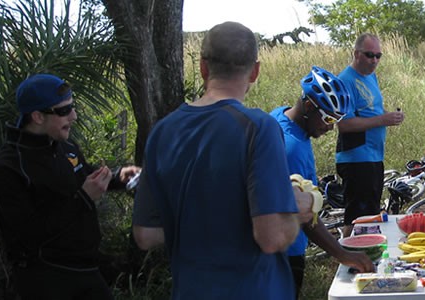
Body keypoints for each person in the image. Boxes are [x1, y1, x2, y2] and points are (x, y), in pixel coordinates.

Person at [131, 21, 314, 299]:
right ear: (255, 71)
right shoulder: (258, 127)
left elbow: (146, 235)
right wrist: (298, 208)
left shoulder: (162, 132)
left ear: (203, 67)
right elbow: (272, 237)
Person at [0, 73, 141, 299]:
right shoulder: (7, 169)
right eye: (64, 110)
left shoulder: (64, 146)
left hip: (87, 270)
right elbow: (29, 235)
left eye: (72, 106)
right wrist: (84, 198)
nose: (73, 115)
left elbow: (84, 177)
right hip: (45, 280)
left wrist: (118, 177)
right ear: (37, 116)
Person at [271, 66, 375, 298]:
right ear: (308, 106)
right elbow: (306, 218)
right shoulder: (292, 148)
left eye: (336, 119)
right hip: (286, 252)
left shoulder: (280, 116)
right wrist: (343, 254)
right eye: (328, 118)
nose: (330, 127)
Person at [335, 33, 405, 236]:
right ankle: (348, 260)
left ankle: (366, 258)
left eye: (378, 56)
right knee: (357, 218)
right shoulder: (345, 81)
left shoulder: (371, 76)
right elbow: (344, 124)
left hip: (374, 156)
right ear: (356, 54)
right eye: (369, 55)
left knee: (371, 214)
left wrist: (390, 116)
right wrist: (382, 120)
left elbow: (372, 110)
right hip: (356, 158)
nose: (374, 60)